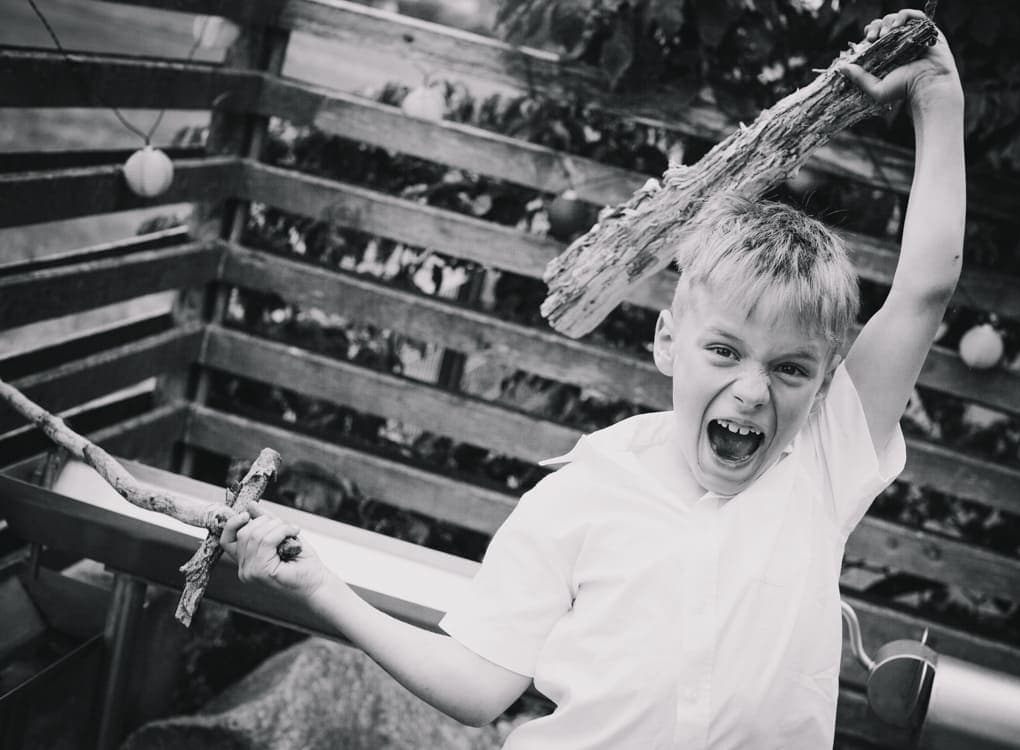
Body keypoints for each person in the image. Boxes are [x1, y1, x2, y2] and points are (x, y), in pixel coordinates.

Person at [220, 8, 964, 748]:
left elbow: (923, 293)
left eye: (789, 368)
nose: (751, 389)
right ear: (667, 342)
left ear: (825, 381)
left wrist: (936, 95)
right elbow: (477, 687)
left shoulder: (824, 463)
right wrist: (320, 587)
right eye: (724, 351)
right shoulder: (580, 493)